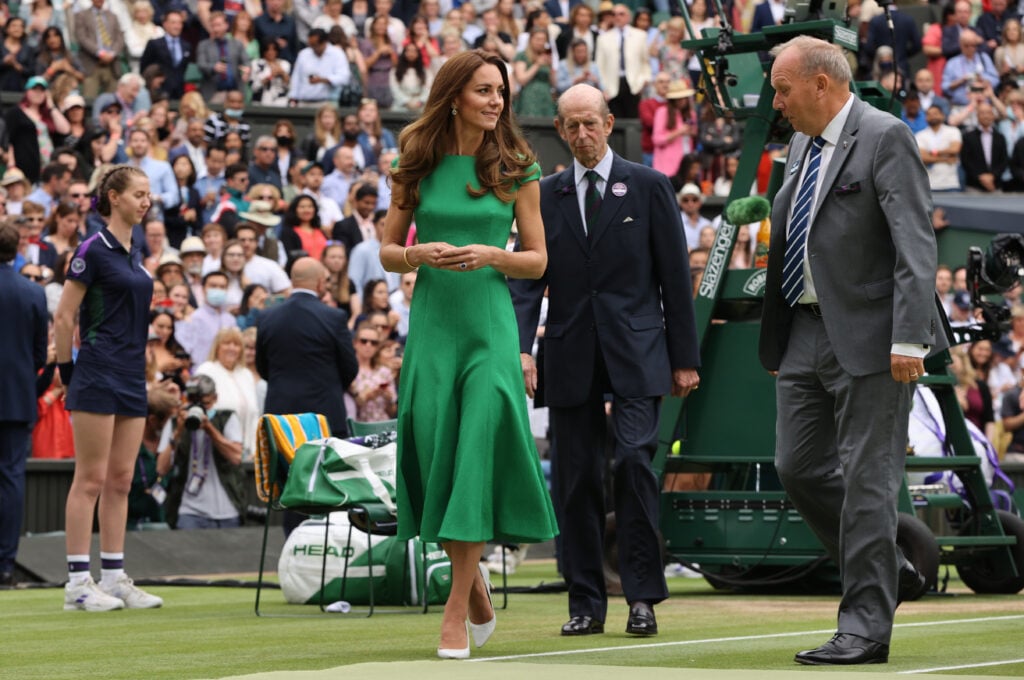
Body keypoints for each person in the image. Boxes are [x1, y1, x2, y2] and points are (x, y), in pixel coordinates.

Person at [758, 36, 944, 665]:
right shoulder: (800, 143)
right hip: (805, 331)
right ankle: (887, 565)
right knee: (798, 467)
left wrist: (908, 337)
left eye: (783, 88)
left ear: (820, 83)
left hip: (874, 336)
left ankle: (864, 627)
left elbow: (915, 243)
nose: (776, 101)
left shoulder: (885, 135)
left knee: (869, 482)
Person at [378, 49, 557, 658]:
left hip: (489, 324)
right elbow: (385, 249)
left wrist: (491, 255)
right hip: (432, 322)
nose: (496, 101)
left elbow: (537, 260)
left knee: (477, 446)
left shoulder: (516, 164)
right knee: (438, 454)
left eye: (500, 92)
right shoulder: (417, 159)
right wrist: (416, 255)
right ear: (454, 94)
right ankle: (472, 579)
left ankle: (454, 612)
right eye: (484, 90)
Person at [509, 82, 698, 638]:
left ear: (610, 123)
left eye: (591, 123)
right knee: (576, 480)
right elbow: (526, 282)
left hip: (639, 354)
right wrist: (522, 348)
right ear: (561, 131)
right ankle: (586, 601)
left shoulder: (649, 186)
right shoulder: (543, 195)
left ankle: (642, 597)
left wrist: (684, 359)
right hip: (568, 352)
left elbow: (674, 280)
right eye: (572, 125)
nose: (583, 134)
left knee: (634, 464)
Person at [55, 164, 164, 611]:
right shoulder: (92, 249)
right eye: (138, 193)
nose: (146, 201)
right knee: (91, 479)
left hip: (130, 377)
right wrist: (67, 374)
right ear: (113, 197)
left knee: (121, 479)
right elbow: (64, 317)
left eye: (148, 194)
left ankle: (114, 577)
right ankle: (78, 584)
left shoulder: (134, 252)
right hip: (97, 370)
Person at [256, 257, 357, 438]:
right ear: (320, 283)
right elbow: (349, 366)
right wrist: (328, 387)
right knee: (325, 466)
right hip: (325, 415)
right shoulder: (334, 317)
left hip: (281, 417)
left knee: (285, 467)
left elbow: (262, 366)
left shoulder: (267, 317)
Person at [0, 222, 48, 586]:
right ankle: (5, 563)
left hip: (17, 397)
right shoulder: (32, 293)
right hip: (16, 398)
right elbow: (37, 355)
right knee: (11, 478)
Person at [164, 374, 245, 529]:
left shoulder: (226, 418)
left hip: (227, 512)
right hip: (189, 512)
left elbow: (236, 457)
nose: (199, 408)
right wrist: (178, 432)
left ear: (215, 398)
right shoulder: (176, 421)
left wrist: (210, 429)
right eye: (194, 402)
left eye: (205, 403)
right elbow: (161, 468)